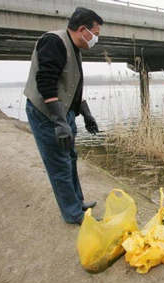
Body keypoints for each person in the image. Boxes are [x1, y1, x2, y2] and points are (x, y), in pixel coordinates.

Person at [24, 7, 103, 224]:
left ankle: (78, 202)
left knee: (70, 158)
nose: (96, 38)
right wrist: (59, 123)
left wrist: (86, 114)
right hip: (46, 114)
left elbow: (71, 85)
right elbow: (46, 83)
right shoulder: (54, 42)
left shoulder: (74, 47)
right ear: (82, 29)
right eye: (95, 33)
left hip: (64, 110)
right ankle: (72, 213)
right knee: (59, 164)